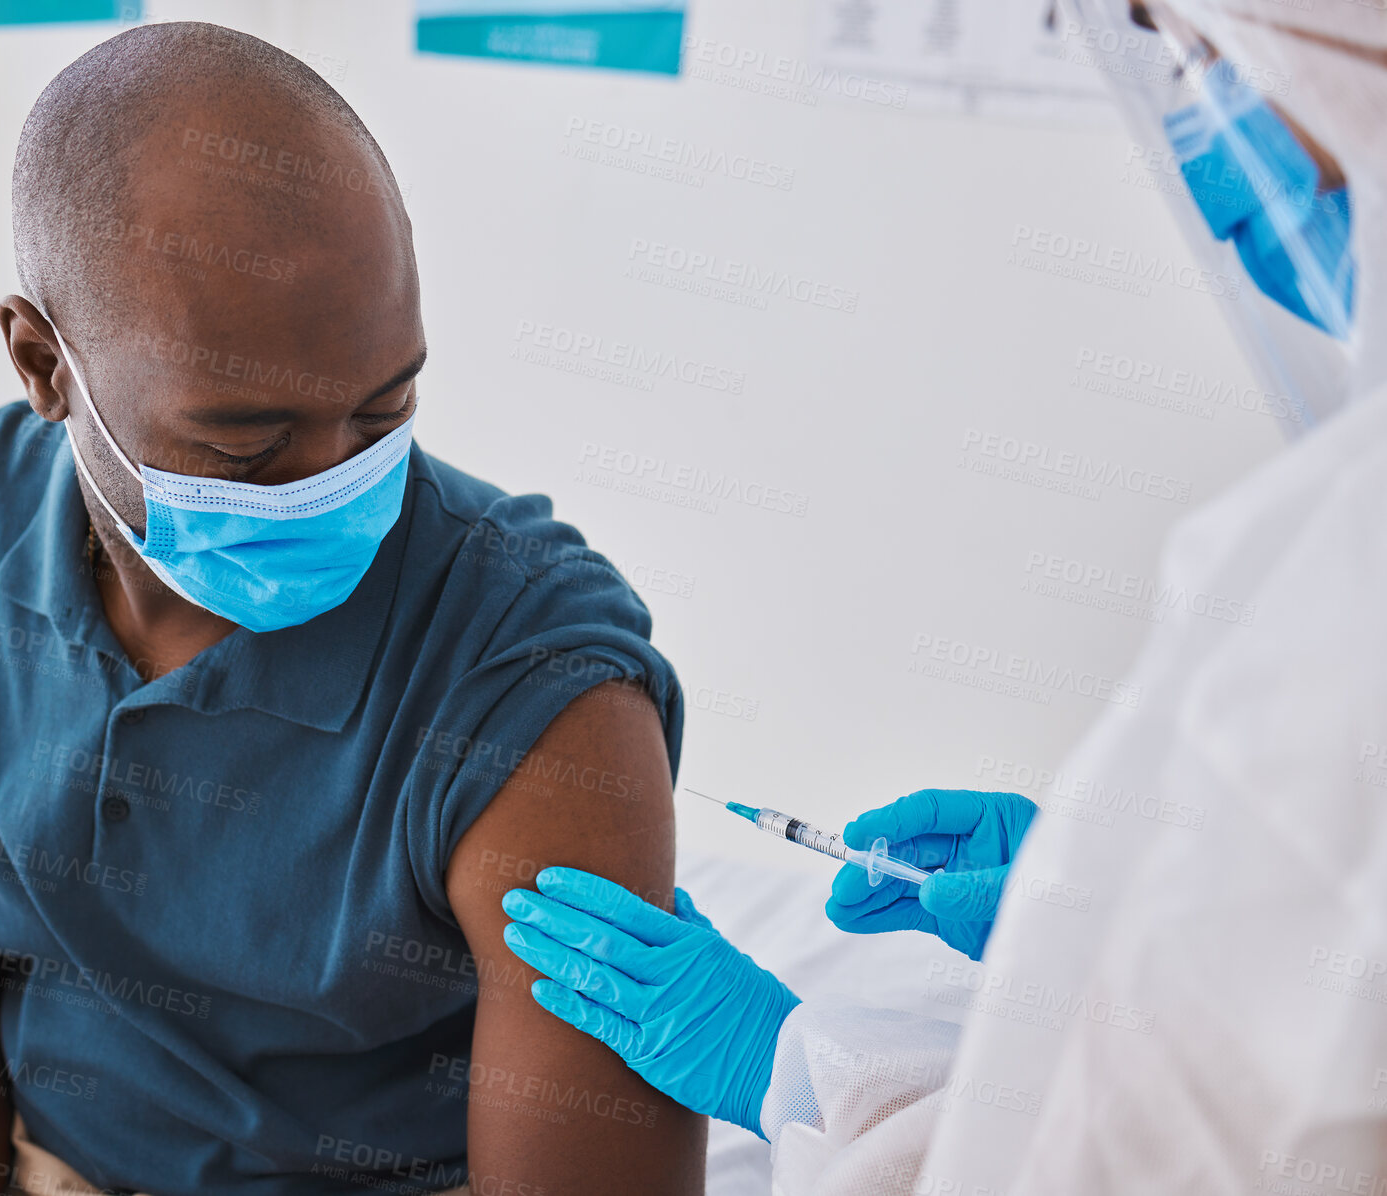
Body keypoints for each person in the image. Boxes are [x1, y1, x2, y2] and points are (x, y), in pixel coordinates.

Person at [0, 21, 707, 1196]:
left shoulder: (539, 700)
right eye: (248, 442)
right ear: (42, 364)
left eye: (383, 415)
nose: (332, 485)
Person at [501, 1, 1387, 1191]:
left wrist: (800, 1070)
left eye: (1212, 63)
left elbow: (1129, 1157)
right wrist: (1098, 901)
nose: (1208, 149)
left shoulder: (1332, 571)